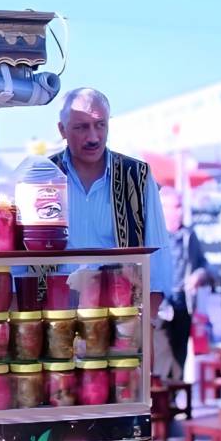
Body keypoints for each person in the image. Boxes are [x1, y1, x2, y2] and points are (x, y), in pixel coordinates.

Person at [50, 88, 172, 313]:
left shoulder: (138, 175)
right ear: (62, 130)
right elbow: (23, 259)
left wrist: (147, 323)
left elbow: (159, 255)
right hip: (57, 313)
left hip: (121, 313)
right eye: (81, 127)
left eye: (100, 125)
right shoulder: (44, 176)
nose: (93, 137)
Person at [159, 187, 214, 377]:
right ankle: (161, 401)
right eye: (175, 207)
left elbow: (204, 265)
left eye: (181, 206)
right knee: (161, 357)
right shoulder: (153, 235)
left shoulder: (189, 235)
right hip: (159, 302)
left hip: (183, 301)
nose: (180, 211)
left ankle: (174, 399)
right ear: (162, 209)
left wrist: (199, 275)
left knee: (179, 356)